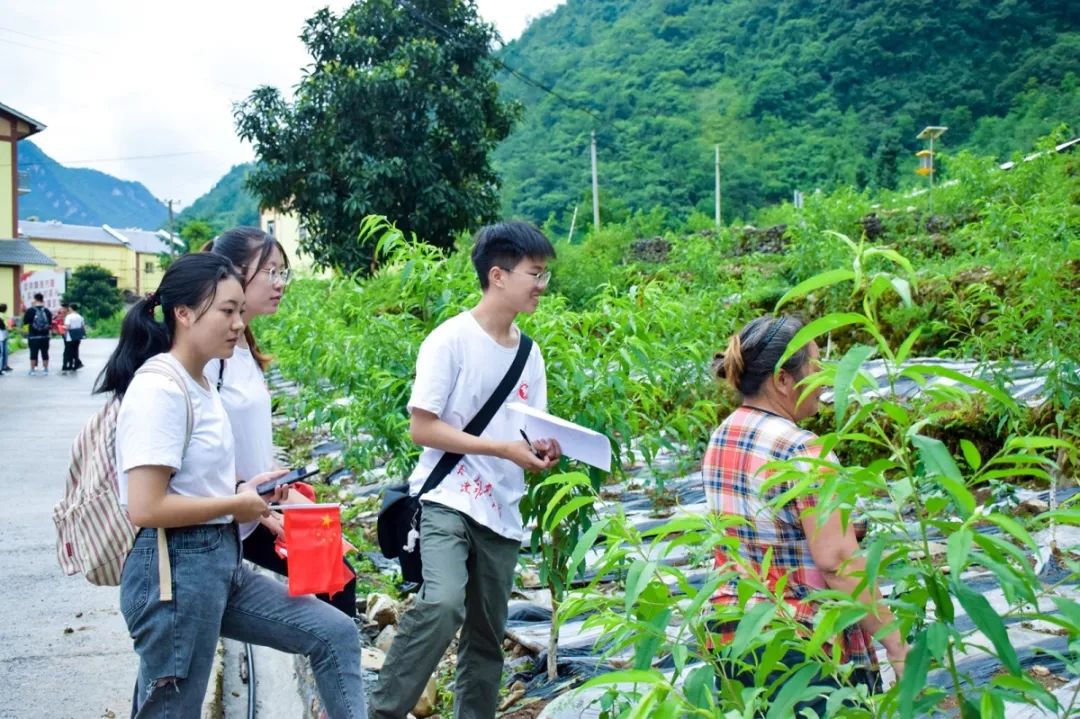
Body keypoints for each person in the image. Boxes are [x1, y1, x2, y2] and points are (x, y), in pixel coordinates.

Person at [96, 252, 367, 718]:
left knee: (334, 633)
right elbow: (145, 507)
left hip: (219, 563)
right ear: (183, 313)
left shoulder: (199, 382)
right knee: (173, 709)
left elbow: (195, 483)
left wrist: (251, 492)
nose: (239, 323)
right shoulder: (159, 388)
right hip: (175, 573)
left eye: (241, 310)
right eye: (226, 310)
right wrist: (236, 505)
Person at [370, 222, 563, 719]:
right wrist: (500, 449)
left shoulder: (529, 353)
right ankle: (382, 710)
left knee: (486, 637)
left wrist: (540, 453)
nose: (542, 285)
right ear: (498, 276)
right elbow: (422, 429)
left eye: (544, 274)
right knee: (442, 604)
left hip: (501, 507)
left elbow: (526, 432)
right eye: (534, 274)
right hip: (447, 496)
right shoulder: (450, 340)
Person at [704, 315, 909, 714]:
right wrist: (896, 643)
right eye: (816, 368)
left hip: (734, 632)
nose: (826, 380)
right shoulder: (804, 451)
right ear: (783, 379)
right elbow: (837, 563)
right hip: (802, 645)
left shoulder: (722, 435)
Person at [204, 226, 358, 616]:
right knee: (335, 581)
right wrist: (243, 486)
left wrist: (275, 478)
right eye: (270, 272)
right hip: (230, 510)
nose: (279, 284)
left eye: (282, 273)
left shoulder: (243, 345)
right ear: (235, 272)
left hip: (260, 505)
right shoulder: (211, 352)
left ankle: (336, 663)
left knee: (337, 577)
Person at [23, 292, 52, 376]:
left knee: (33, 352)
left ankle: (32, 370)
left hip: (33, 336)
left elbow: (25, 323)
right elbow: (50, 323)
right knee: (45, 352)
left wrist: (26, 333)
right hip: (45, 336)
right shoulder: (47, 311)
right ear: (42, 300)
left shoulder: (30, 311)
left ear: (35, 300)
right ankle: (45, 369)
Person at [62, 302, 86, 374]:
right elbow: (82, 327)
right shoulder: (80, 317)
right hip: (78, 336)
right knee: (75, 350)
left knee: (67, 351)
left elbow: (67, 327)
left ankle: (66, 366)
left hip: (70, 336)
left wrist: (62, 327)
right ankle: (75, 364)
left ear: (70, 308)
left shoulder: (69, 317)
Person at [0, 303, 11, 373]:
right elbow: (8, 326)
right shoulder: (5, 316)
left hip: (1, 334)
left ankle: (2, 367)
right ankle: (4, 366)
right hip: (4, 333)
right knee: (4, 351)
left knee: (2, 352)